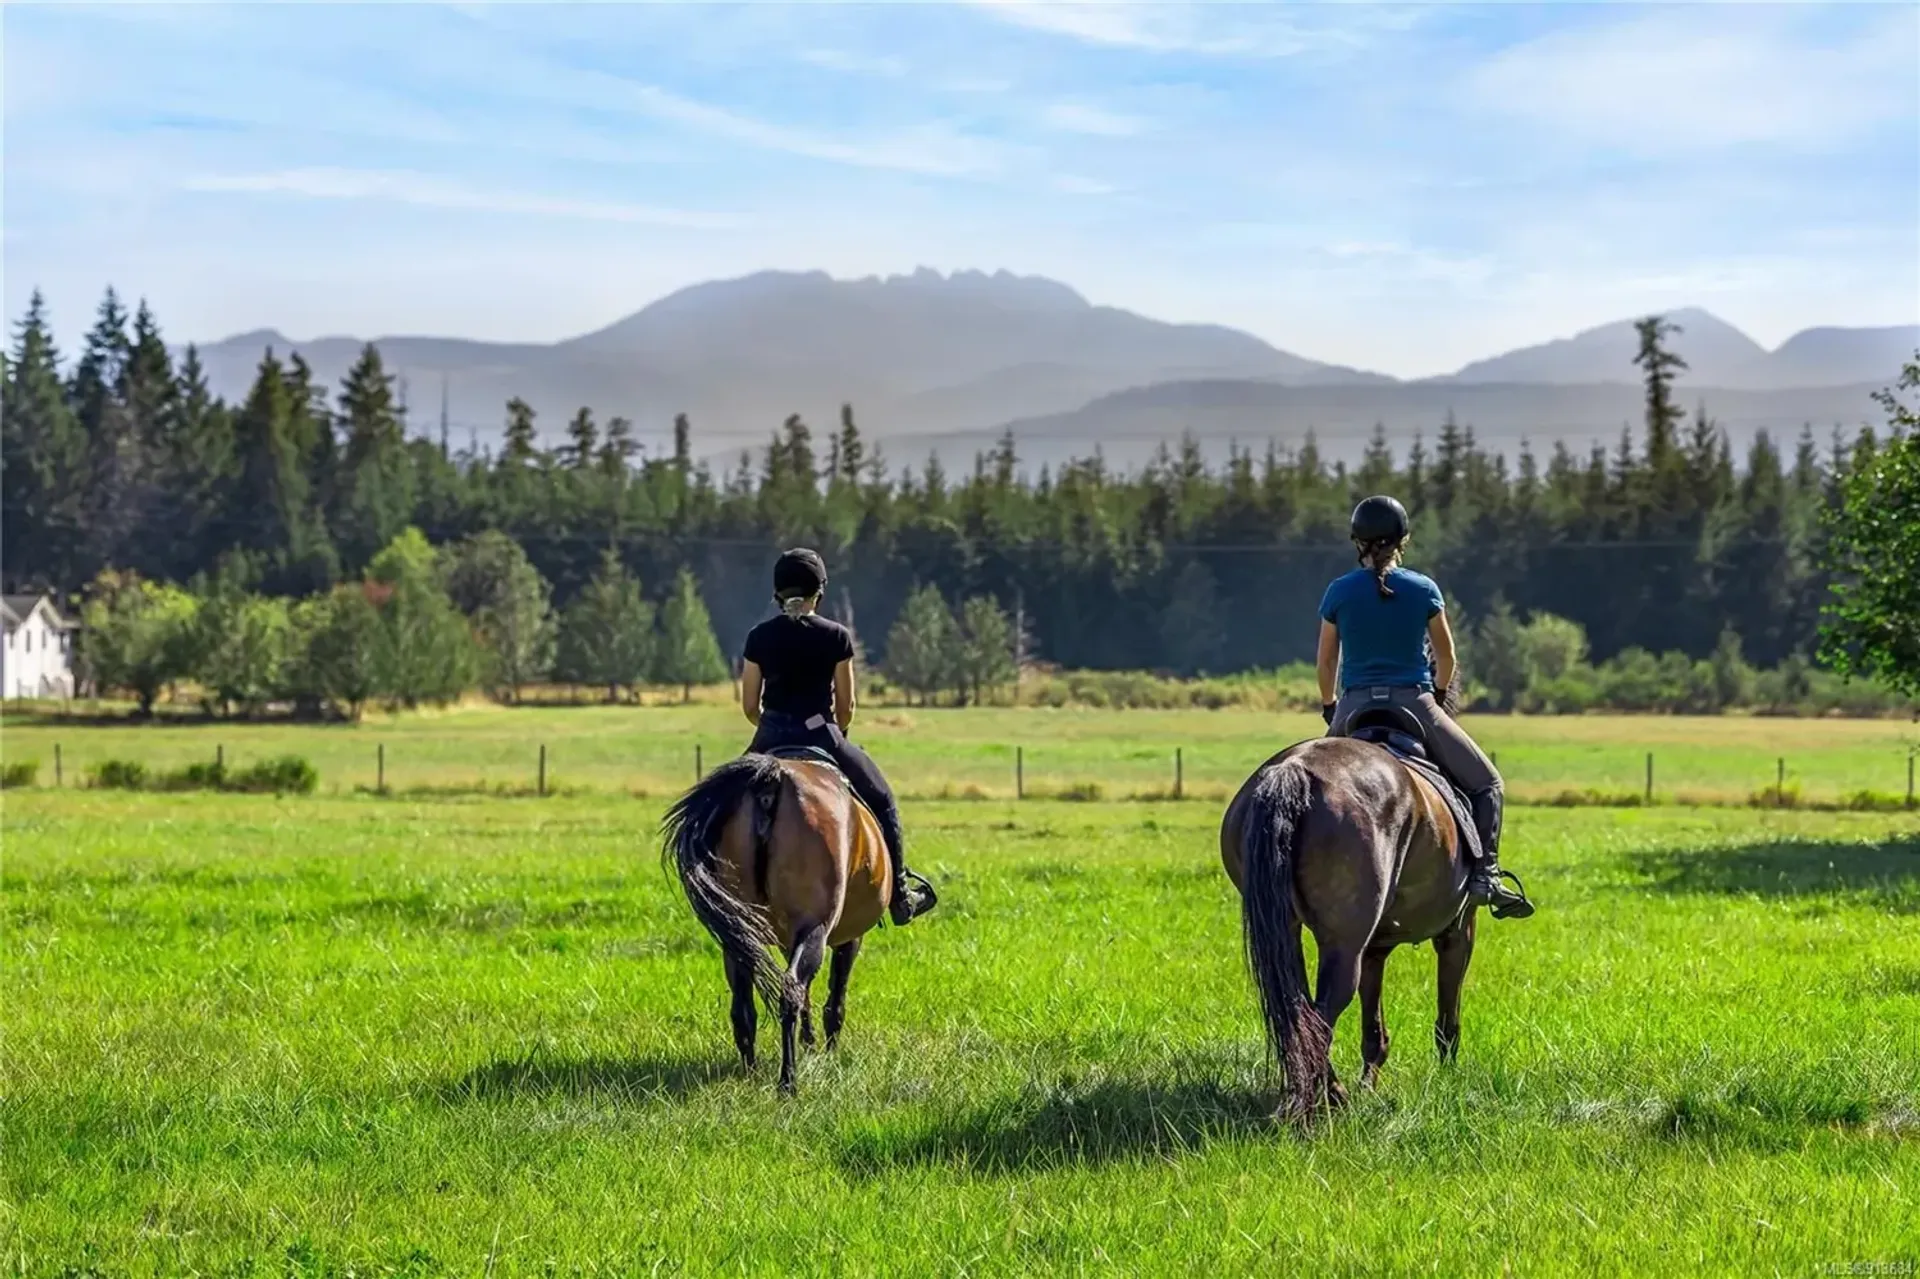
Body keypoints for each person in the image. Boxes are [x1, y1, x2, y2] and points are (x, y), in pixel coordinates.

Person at [1316, 496, 1535, 920]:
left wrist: (1330, 707)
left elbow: (1326, 662)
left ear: (1355, 542)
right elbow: (1447, 657)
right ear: (1404, 541)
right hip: (1415, 703)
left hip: (1354, 706)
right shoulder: (1423, 589)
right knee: (1488, 783)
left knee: (1316, 788)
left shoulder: (1338, 592)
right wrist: (1434, 695)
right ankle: (1486, 876)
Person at [739, 548, 937, 926]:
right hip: (822, 735)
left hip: (770, 736)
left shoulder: (758, 637)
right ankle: (900, 897)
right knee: (882, 799)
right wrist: (836, 735)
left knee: (720, 803)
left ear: (778, 593)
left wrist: (771, 726)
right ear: (820, 592)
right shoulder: (836, 637)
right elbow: (846, 706)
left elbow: (750, 705)